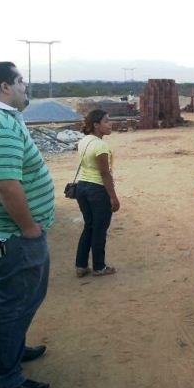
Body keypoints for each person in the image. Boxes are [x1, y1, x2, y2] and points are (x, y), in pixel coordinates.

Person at [0, 62, 54, 388]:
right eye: (20, 81)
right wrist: (30, 228)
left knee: (2, 298)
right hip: (12, 236)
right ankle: (6, 378)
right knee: (16, 304)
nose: (25, 86)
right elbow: (5, 185)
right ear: (5, 86)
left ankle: (6, 353)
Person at [75, 109, 120, 277]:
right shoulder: (101, 146)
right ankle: (99, 267)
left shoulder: (84, 140)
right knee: (99, 229)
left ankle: (81, 265)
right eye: (106, 121)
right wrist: (113, 197)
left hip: (82, 187)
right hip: (97, 190)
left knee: (89, 226)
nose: (110, 124)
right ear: (95, 125)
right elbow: (104, 173)